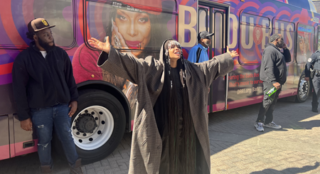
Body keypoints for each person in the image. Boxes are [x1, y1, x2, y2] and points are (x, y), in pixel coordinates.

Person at [88, 36, 238, 174]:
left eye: (178, 46)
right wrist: (111, 52)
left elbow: (210, 66)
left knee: (186, 160)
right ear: (165, 50)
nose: (176, 48)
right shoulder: (152, 69)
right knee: (163, 162)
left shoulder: (192, 70)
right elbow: (132, 64)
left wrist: (228, 57)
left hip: (186, 129)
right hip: (163, 129)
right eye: (172, 46)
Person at [12, 18, 82, 174]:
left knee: (67, 138)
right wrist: (24, 116)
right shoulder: (24, 59)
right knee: (44, 142)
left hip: (63, 108)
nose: (50, 36)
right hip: (40, 111)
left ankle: (76, 169)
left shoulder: (60, 54)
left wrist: (74, 99)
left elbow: (70, 79)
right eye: (45, 34)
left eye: (50, 33)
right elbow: (18, 89)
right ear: (36, 37)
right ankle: (46, 170)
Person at [254, 33, 291, 132]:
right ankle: (259, 121)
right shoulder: (269, 50)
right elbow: (268, 67)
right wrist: (274, 81)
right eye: (281, 39)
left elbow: (288, 59)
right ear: (276, 39)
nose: (283, 41)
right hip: (271, 82)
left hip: (277, 83)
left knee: (272, 102)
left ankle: (268, 121)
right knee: (267, 101)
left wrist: (285, 49)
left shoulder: (277, 50)